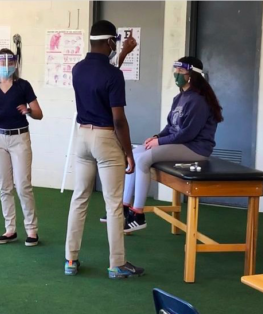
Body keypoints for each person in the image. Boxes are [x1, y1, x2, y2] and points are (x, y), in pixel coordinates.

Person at [64, 20, 144, 279]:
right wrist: (129, 152)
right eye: (115, 43)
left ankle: (71, 260)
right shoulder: (113, 75)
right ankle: (116, 264)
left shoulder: (77, 69)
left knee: (79, 198)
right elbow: (118, 119)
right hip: (106, 139)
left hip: (82, 138)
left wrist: (122, 55)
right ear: (110, 42)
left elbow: (101, 80)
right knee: (113, 204)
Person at [110, 56, 223, 233]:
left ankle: (138, 214)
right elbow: (171, 126)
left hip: (196, 149)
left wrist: (160, 142)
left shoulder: (198, 100)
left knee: (144, 159)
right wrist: (156, 137)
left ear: (191, 75)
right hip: (182, 144)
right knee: (136, 153)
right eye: (175, 70)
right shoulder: (180, 98)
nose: (176, 74)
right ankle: (124, 207)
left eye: (181, 71)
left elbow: (188, 133)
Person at [0, 48, 43, 247]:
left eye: (9, 62)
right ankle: (10, 230)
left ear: (15, 64)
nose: (5, 66)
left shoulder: (23, 86)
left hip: (20, 138)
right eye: (1, 62)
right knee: (4, 186)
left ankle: (31, 230)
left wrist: (28, 110)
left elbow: (39, 113)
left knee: (23, 185)